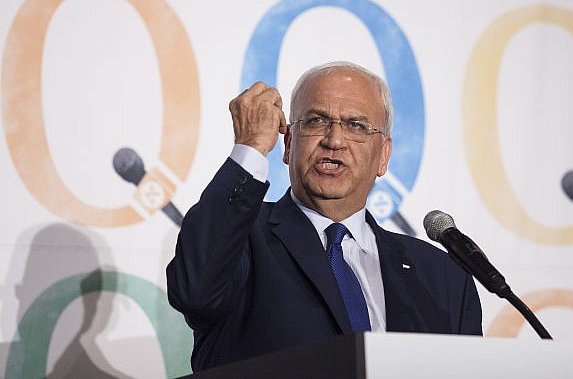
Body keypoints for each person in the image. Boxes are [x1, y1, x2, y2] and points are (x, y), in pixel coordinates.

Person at [166, 62, 482, 372]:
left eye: (357, 125)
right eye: (317, 121)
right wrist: (250, 147)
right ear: (288, 144)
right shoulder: (242, 240)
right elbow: (194, 291)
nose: (334, 140)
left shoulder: (444, 279)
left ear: (383, 155)